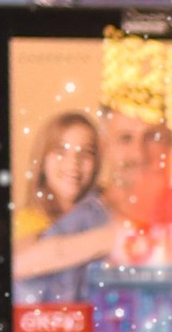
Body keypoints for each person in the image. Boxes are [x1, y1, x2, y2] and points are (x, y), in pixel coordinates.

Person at [12, 108, 122, 285]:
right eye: (60, 151)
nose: (73, 164)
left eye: (85, 153)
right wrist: (112, 237)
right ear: (43, 159)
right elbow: (18, 263)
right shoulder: (27, 220)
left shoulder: (104, 210)